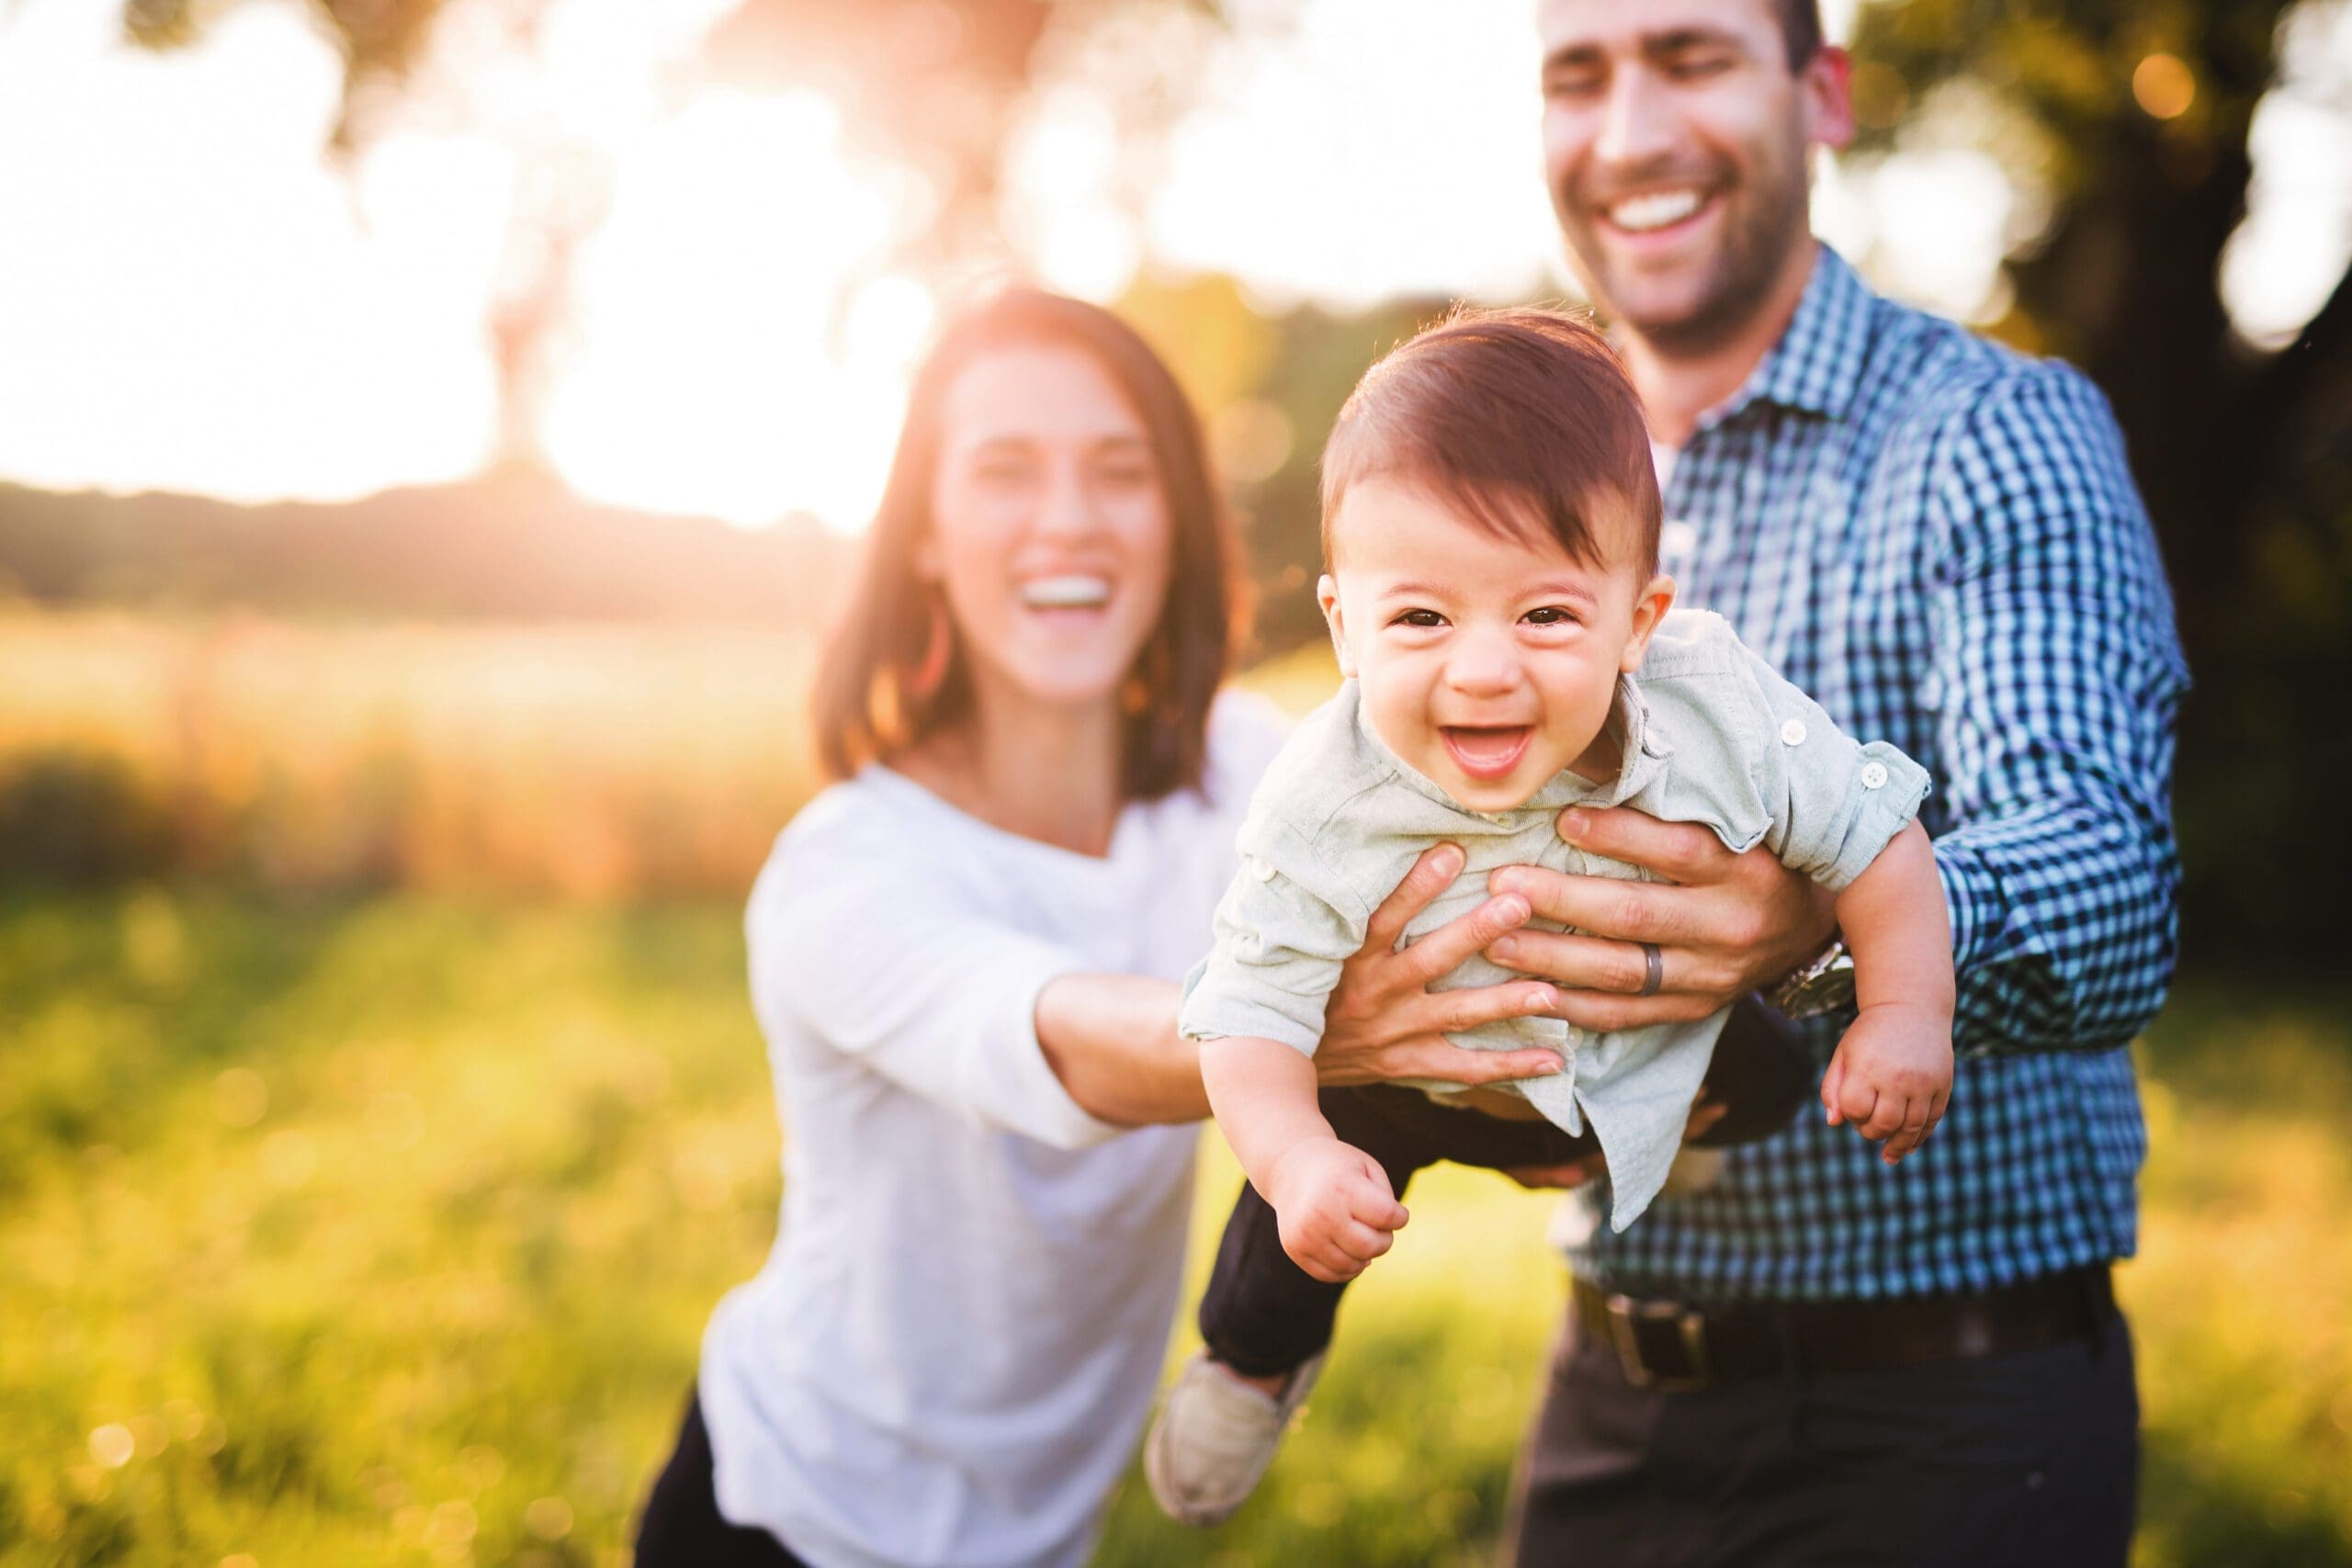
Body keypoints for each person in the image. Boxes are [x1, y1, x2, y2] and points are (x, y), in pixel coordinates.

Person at [629, 288, 1584, 1568]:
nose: (1069, 520)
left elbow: (1469, 889)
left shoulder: (1253, 779)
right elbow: (1063, 1037)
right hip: (792, 1519)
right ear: (924, 534)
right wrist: (1298, 1029)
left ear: (1176, 525)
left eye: (1119, 472)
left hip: (1043, 1537)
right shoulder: (848, 866)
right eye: (1006, 471)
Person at [1485, 3, 2188, 1564]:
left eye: (1692, 58)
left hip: (1949, 1421)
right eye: (1577, 77)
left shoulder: (1991, 434)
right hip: (1606, 1393)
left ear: (1825, 94)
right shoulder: (1524, 485)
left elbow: (2111, 884)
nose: (1630, 134)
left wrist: (1816, 930)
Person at [1142, 307, 1955, 1528]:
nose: (1482, 669)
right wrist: (1299, 1155)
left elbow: (1876, 838)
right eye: (1420, 617)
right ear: (1342, 623)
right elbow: (1244, 1011)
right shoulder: (1324, 789)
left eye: (1544, 616)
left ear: (1639, 620)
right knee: (1291, 1217)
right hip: (1414, 1080)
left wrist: (1903, 1012)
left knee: (1786, 1076)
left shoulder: (1715, 706)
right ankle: (1251, 1362)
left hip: (1644, 1039)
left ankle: (1634, 1136)